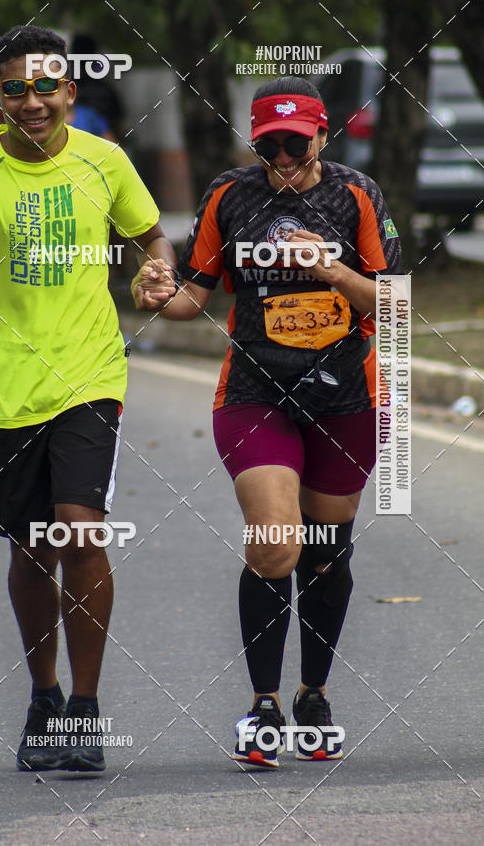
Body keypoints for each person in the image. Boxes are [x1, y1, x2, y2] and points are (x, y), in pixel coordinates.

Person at [0, 25, 174, 773]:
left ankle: (84, 709)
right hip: (0, 385)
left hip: (90, 375)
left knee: (80, 533)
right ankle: (43, 696)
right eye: (15, 89)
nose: (32, 102)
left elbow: (153, 236)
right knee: (31, 549)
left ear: (69, 92)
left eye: (46, 87)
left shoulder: (104, 160)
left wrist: (156, 271)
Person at [132, 77, 402, 768]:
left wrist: (331, 271)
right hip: (256, 391)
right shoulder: (230, 194)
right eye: (268, 145)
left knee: (326, 550)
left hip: (346, 393)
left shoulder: (357, 195)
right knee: (277, 542)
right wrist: (158, 294)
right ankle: (264, 706)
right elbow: (194, 295)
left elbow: (394, 305)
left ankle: (314, 694)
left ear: (322, 136)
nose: (282, 158)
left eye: (295, 144)